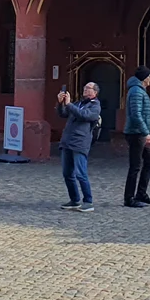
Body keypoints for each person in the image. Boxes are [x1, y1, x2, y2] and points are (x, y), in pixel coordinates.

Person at [56, 81, 100, 212]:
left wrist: (69, 104)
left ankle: (88, 201)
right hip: (67, 141)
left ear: (95, 92)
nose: (85, 89)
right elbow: (63, 114)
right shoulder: (78, 103)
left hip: (80, 143)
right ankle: (74, 200)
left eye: (88, 88)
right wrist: (60, 103)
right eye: (85, 87)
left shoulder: (95, 106)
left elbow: (84, 115)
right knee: (67, 173)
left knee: (81, 174)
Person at [123, 66, 150, 209]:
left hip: (139, 132)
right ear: (144, 78)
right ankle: (129, 198)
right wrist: (145, 132)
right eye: (149, 77)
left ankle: (141, 193)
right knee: (135, 166)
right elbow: (136, 114)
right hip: (136, 133)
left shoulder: (140, 90)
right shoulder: (136, 91)